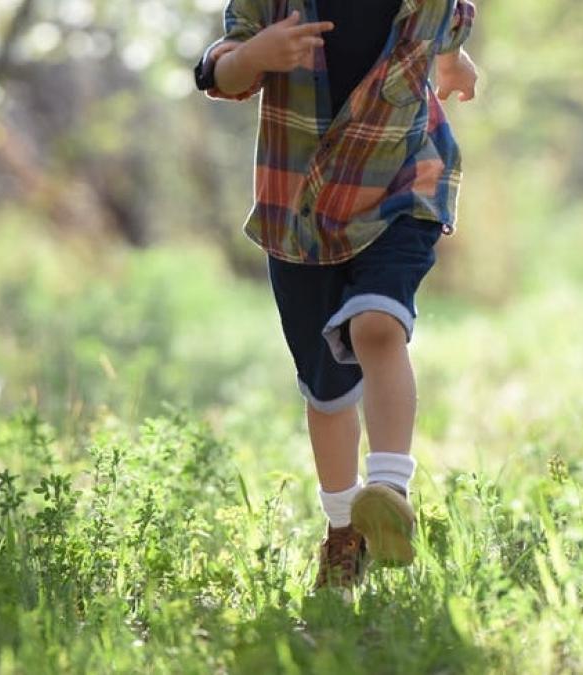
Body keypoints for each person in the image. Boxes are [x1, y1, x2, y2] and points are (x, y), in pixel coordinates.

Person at [194, 0, 478, 591]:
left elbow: (446, 28)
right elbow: (219, 70)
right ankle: (345, 531)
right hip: (300, 209)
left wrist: (454, 63)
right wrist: (253, 56)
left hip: (403, 187)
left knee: (378, 324)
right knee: (327, 392)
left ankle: (390, 491)